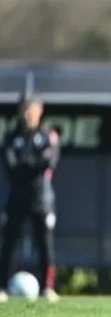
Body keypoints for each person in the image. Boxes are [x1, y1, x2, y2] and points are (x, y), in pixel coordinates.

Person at [0, 92, 60, 303]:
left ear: (39, 111)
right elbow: (11, 166)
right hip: (16, 198)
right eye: (24, 109)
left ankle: (47, 288)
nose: (27, 114)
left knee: (45, 245)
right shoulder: (12, 137)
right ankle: (2, 287)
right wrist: (32, 164)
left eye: (31, 109)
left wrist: (25, 164)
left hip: (41, 199)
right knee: (8, 243)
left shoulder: (48, 136)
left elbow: (48, 162)